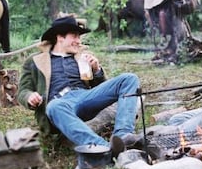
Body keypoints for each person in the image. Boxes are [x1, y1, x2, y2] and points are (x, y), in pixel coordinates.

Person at [17, 16, 142, 157]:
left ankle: (123, 136)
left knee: (129, 79)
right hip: (60, 103)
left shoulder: (83, 56)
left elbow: (101, 88)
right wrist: (29, 97)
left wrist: (97, 71)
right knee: (54, 106)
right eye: (74, 36)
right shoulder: (34, 61)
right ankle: (104, 148)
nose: (79, 41)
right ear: (60, 37)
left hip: (85, 97)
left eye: (79, 37)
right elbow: (22, 91)